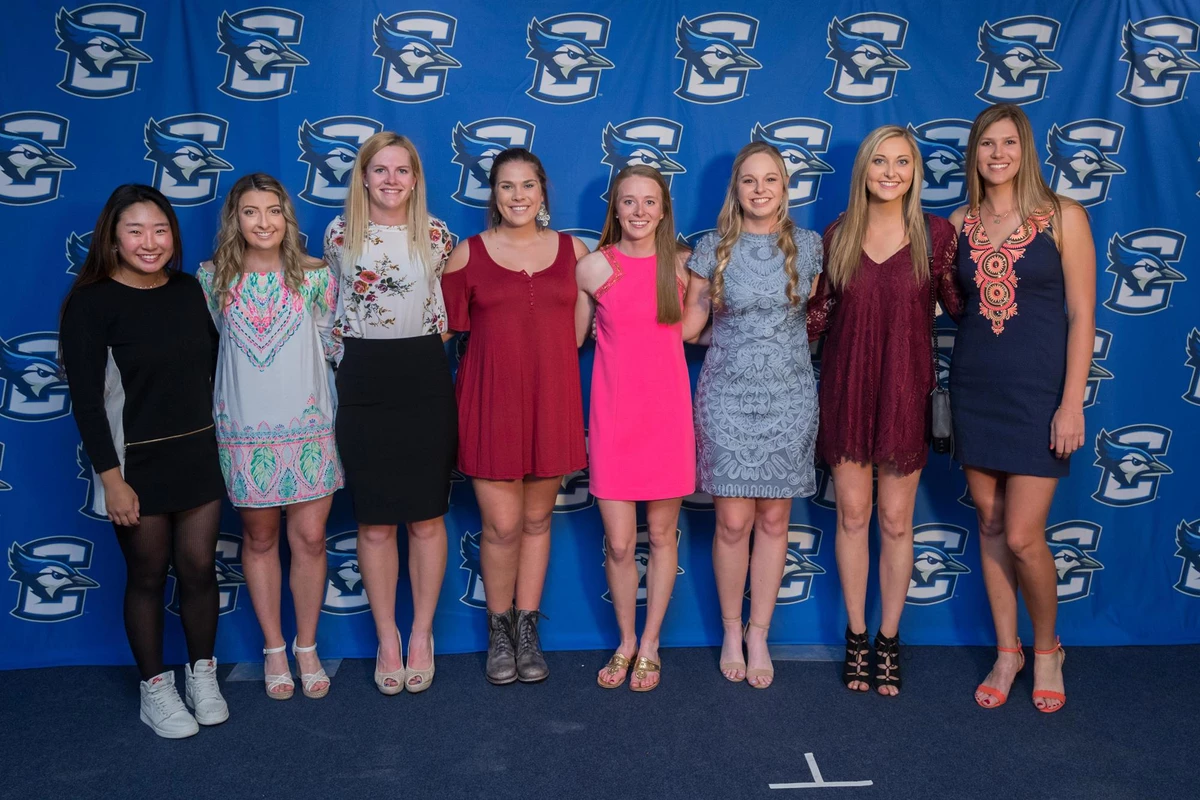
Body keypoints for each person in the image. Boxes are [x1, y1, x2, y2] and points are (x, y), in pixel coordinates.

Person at [60, 184, 228, 738]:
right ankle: (155, 688)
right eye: (135, 231)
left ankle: (202, 673)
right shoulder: (90, 303)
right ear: (113, 236)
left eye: (160, 230)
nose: (149, 242)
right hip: (135, 465)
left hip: (198, 454)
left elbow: (211, 367)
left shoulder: (186, 290)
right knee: (149, 574)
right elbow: (86, 401)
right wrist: (112, 480)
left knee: (201, 569)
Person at [808, 126, 963, 696]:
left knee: (897, 521)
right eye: (880, 161)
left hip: (905, 392)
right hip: (847, 390)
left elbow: (960, 305)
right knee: (852, 517)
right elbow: (815, 320)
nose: (891, 172)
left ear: (916, 171)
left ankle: (889, 640)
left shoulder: (936, 234)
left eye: (903, 162)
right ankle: (855, 636)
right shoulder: (837, 235)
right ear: (864, 171)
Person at [949, 104, 1095, 713]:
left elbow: (1082, 314)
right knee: (987, 522)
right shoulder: (958, 223)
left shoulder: (1063, 216)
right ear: (975, 154)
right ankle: (1006, 652)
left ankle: (1045, 651)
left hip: (1039, 397)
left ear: (1025, 149)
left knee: (1022, 533)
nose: (998, 154)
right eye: (987, 144)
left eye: (1009, 143)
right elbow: (952, 305)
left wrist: (1071, 403)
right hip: (975, 390)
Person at [442, 148, 590, 685]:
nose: (519, 195)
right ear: (494, 195)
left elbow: (578, 332)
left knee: (535, 521)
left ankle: (528, 631)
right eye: (507, 186)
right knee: (501, 526)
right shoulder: (468, 253)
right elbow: (443, 329)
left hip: (550, 400)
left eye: (528, 185)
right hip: (490, 402)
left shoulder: (575, 252)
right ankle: (497, 630)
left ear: (543, 193)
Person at [681, 142, 823, 689]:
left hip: (788, 398)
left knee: (773, 521)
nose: (760, 189)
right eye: (749, 180)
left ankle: (761, 632)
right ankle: (731, 630)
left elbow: (818, 315)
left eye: (770, 180)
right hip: (728, 398)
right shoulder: (710, 247)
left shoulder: (809, 247)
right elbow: (691, 326)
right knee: (733, 522)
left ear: (785, 188)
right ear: (735, 189)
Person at [197, 173, 342, 701]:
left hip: (308, 426)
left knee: (309, 539)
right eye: (252, 212)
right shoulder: (212, 279)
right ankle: (274, 647)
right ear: (235, 219)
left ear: (287, 217)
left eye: (274, 211)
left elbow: (333, 342)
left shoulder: (317, 276)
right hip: (244, 431)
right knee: (259, 539)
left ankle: (307, 646)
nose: (264, 222)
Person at [324, 132, 457, 694]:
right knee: (375, 520)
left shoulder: (437, 235)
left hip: (423, 372)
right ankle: (387, 638)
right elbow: (329, 308)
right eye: (380, 170)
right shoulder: (337, 235)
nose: (391, 180)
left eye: (402, 170)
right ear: (363, 177)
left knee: (427, 518)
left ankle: (421, 634)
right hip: (363, 375)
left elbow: (445, 310)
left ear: (416, 179)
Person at [575, 165, 694, 692]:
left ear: (664, 210)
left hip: (667, 419)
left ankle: (650, 644)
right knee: (620, 544)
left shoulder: (686, 269)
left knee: (663, 535)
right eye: (629, 202)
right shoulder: (594, 269)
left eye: (650, 201)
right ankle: (625, 640)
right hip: (614, 420)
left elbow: (692, 332)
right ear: (615, 209)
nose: (640, 211)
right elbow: (570, 338)